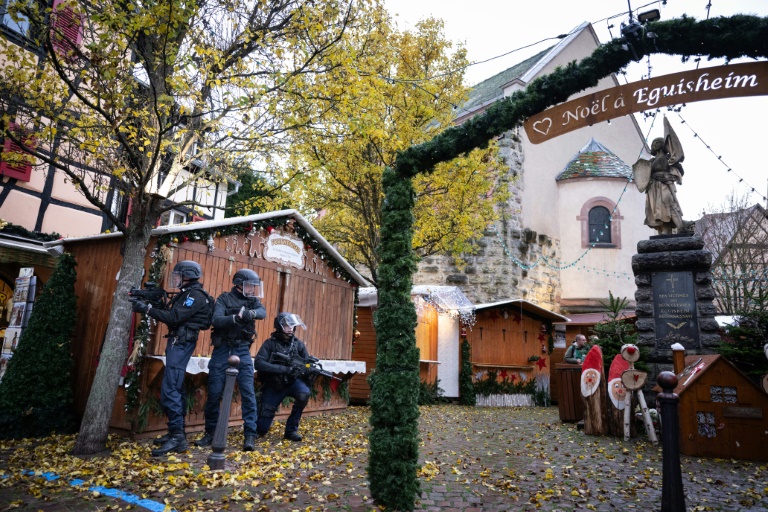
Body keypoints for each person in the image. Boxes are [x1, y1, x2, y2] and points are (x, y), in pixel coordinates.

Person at [131, 260, 213, 457]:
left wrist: (148, 310)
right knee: (176, 386)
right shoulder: (187, 294)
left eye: (178, 275)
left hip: (182, 342)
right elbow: (172, 313)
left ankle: (178, 437)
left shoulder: (194, 296)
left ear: (188, 275)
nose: (175, 279)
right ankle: (176, 432)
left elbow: (174, 318)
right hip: (178, 341)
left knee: (171, 387)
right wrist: (154, 303)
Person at [194, 268, 266, 451]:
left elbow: (262, 312)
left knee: (248, 392)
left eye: (254, 286)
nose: (252, 289)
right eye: (249, 285)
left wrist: (252, 314)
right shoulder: (224, 298)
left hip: (242, 349)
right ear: (239, 284)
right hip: (222, 349)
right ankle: (210, 433)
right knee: (215, 392)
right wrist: (235, 318)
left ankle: (250, 435)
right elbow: (216, 320)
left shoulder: (253, 301)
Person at [254, 312, 313, 442]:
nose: (290, 328)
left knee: (304, 394)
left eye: (292, 325)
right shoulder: (270, 344)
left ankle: (291, 430)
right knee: (261, 429)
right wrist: (284, 369)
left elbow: (306, 364)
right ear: (280, 326)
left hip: (292, 382)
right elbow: (258, 363)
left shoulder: (298, 345)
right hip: (274, 384)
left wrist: (308, 367)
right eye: (287, 325)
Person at [633, 116, 693, 235]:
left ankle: (679, 226)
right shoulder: (651, 162)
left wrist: (671, 175)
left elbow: (679, 170)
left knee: (669, 204)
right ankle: (664, 230)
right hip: (654, 188)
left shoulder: (668, 159)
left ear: (661, 144)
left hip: (665, 185)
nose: (654, 145)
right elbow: (645, 175)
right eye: (653, 143)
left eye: (656, 143)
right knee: (657, 210)